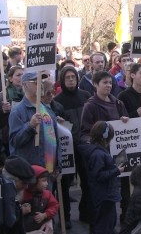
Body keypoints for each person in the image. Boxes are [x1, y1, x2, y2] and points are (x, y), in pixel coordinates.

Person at [79, 71, 129, 223]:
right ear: (95, 85)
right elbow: (84, 133)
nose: (108, 85)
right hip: (101, 157)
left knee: (114, 192)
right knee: (101, 196)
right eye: (104, 82)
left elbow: (124, 125)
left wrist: (124, 120)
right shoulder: (90, 105)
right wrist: (98, 143)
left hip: (116, 153)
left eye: (110, 82)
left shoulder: (118, 103)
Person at [53, 65, 91, 228]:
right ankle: (65, 216)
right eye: (67, 78)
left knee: (87, 182)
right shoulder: (57, 101)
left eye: (73, 77)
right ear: (62, 80)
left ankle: (86, 212)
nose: (70, 80)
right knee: (64, 184)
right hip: (68, 148)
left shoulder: (85, 96)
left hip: (85, 146)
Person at [8, 73, 60, 175]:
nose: (40, 85)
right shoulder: (17, 112)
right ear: (25, 85)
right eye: (36, 82)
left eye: (42, 82)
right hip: (29, 170)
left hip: (48, 169)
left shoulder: (47, 110)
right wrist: (30, 126)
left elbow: (55, 138)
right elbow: (15, 142)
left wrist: (58, 164)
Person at [79, 121, 125, 234]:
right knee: (105, 226)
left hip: (103, 195)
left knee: (106, 224)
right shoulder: (98, 154)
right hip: (104, 196)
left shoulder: (96, 151)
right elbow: (98, 175)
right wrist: (116, 170)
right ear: (105, 137)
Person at [22, 165, 59, 233]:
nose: (47, 184)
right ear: (34, 181)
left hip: (42, 229)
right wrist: (21, 210)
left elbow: (54, 206)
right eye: (44, 181)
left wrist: (45, 215)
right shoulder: (22, 194)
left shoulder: (47, 194)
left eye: (47, 181)